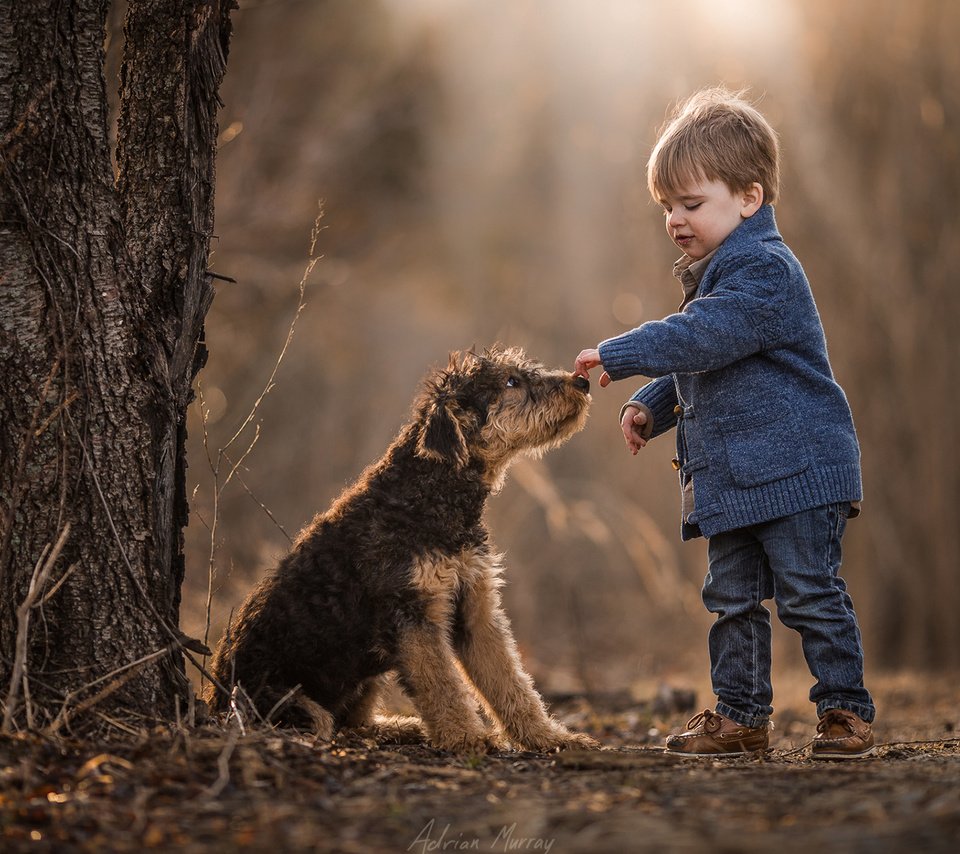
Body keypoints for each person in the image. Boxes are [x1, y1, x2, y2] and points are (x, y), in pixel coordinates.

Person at [574, 87, 875, 759]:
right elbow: (710, 358)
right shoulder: (719, 274)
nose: (676, 220)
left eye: (691, 203)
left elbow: (705, 336)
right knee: (730, 601)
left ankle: (844, 711)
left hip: (798, 473)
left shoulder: (764, 270)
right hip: (738, 481)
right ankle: (741, 716)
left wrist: (620, 355)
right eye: (667, 207)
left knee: (808, 593)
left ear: (749, 198)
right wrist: (652, 404)